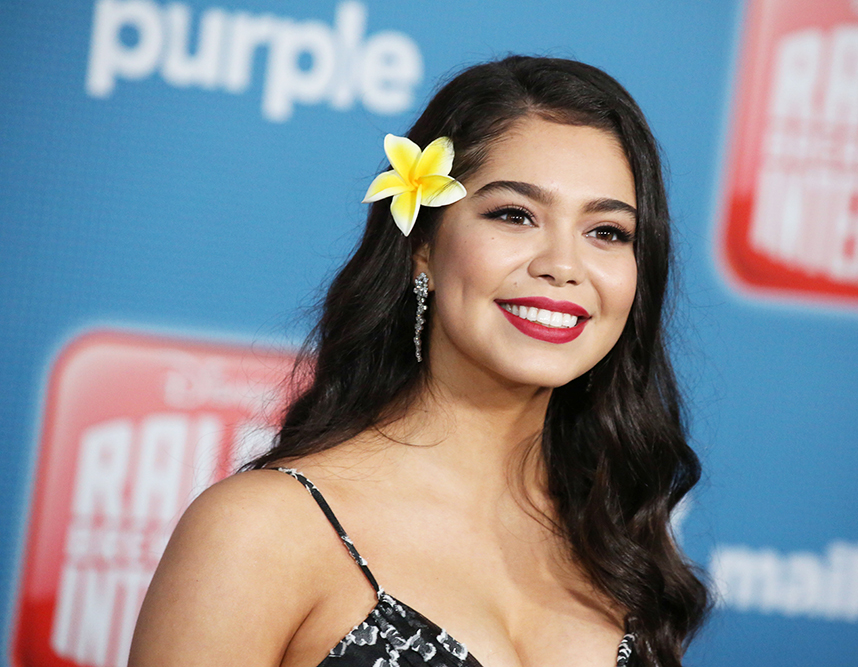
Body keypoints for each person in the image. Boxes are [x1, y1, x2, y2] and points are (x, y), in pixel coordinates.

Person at [129, 55, 709, 667]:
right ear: (422, 246)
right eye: (515, 215)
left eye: (608, 232)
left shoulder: (617, 545)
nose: (563, 265)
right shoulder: (261, 531)